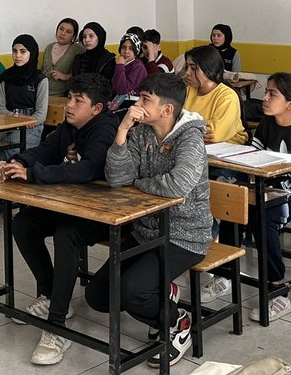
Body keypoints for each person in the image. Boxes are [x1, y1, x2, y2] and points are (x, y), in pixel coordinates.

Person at [88, 73, 211, 366]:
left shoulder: (190, 138)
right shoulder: (142, 131)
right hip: (145, 230)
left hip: (185, 235)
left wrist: (139, 183)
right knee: (98, 296)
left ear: (167, 109)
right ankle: (163, 292)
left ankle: (177, 322)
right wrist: (122, 131)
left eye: (145, 99)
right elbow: (118, 179)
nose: (136, 105)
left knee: (132, 290)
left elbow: (178, 185)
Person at [2, 73, 118, 366]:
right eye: (69, 98)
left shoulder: (104, 130)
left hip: (105, 212)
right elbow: (48, 149)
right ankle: (53, 295)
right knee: (23, 224)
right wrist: (21, 162)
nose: (70, 105)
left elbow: (87, 170)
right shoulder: (70, 125)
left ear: (97, 109)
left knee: (67, 234)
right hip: (73, 205)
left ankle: (57, 327)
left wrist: (34, 174)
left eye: (79, 101)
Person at [226, 72, 291, 321]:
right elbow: (254, 157)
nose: (265, 98)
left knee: (265, 219)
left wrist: (283, 181)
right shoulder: (267, 123)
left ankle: (278, 288)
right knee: (230, 204)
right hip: (270, 191)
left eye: (273, 94)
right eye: (266, 92)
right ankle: (224, 274)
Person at [182, 45, 247, 146]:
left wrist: (182, 129)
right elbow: (171, 121)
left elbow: (214, 135)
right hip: (194, 146)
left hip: (228, 149)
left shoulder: (227, 97)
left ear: (209, 69)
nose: (187, 72)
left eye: (193, 68)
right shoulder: (188, 91)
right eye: (187, 67)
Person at [0, 34, 49, 152]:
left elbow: (41, 114)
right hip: (7, 121)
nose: (18, 55)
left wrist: (26, 120)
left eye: (23, 51)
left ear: (32, 53)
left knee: (10, 150)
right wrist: (17, 117)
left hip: (31, 124)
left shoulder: (40, 79)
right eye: (14, 51)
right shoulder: (5, 77)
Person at [41, 17, 83, 97]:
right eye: (61, 29)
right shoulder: (49, 47)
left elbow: (82, 73)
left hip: (64, 95)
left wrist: (65, 76)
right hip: (44, 92)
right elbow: (43, 69)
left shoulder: (77, 49)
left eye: (68, 32)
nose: (63, 33)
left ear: (73, 37)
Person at [110, 32, 148, 108]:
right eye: (123, 47)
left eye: (131, 48)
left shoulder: (138, 67)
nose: (126, 51)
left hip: (132, 105)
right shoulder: (121, 63)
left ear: (136, 51)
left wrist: (120, 66)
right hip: (118, 102)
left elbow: (122, 90)